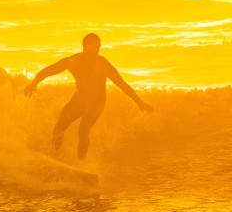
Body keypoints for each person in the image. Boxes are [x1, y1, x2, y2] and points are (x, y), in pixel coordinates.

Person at [24, 33, 153, 159]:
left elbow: (122, 84)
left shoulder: (103, 65)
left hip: (97, 102)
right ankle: (55, 157)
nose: (98, 49)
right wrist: (34, 82)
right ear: (85, 46)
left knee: (83, 129)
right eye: (95, 46)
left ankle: (82, 162)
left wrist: (139, 103)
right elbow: (50, 70)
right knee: (59, 128)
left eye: (99, 46)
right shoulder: (73, 61)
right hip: (79, 99)